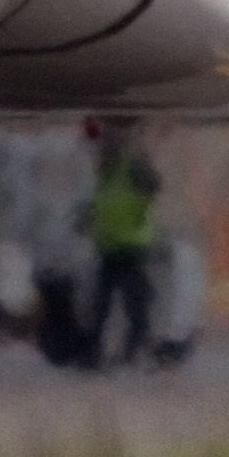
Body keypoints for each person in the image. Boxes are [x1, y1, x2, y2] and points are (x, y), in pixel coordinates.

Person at [83, 138, 163, 367]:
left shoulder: (130, 170)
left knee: (135, 309)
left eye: (103, 151)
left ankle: (132, 355)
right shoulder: (105, 176)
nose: (98, 157)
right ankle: (99, 355)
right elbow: (102, 208)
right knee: (101, 309)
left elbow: (152, 187)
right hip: (109, 252)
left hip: (131, 251)